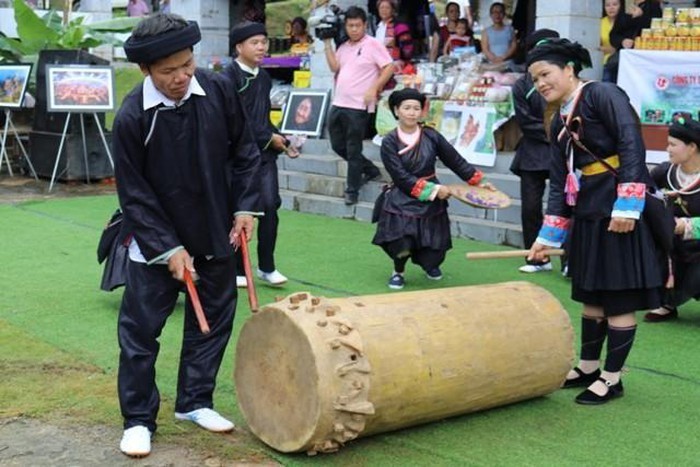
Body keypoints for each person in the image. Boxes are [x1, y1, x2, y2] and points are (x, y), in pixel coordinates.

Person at [113, 14, 260, 457]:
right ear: (145, 70)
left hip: (215, 227)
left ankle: (195, 401)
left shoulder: (215, 89)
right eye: (167, 71)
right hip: (155, 242)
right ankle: (138, 419)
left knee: (213, 321)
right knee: (141, 333)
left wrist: (245, 206)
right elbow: (134, 194)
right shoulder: (131, 117)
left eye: (186, 65)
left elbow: (245, 150)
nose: (180, 77)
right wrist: (168, 247)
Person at [527, 38, 662, 405]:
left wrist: (627, 206)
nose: (540, 84)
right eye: (535, 79)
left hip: (618, 207)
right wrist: (547, 236)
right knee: (590, 294)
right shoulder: (556, 118)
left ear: (568, 69)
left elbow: (631, 141)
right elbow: (559, 182)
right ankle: (588, 366)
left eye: (546, 74)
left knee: (617, 297)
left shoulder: (603, 93)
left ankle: (612, 378)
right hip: (588, 208)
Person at [372, 88, 492, 289]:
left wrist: (478, 181)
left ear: (421, 112)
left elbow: (455, 160)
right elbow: (400, 176)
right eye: (407, 108)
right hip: (403, 198)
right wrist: (434, 191)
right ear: (396, 110)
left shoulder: (431, 135)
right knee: (401, 240)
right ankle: (398, 271)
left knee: (434, 242)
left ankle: (430, 265)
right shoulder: (389, 141)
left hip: (432, 199)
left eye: (416, 108)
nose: (412, 112)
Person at [223, 21, 297, 288]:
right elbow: (235, 121)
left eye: (264, 42)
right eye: (255, 42)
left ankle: (267, 266)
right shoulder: (227, 78)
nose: (261, 47)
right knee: (237, 210)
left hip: (264, 157)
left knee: (269, 206)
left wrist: (284, 140)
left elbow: (262, 119)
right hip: (237, 157)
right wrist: (269, 138)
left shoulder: (264, 78)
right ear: (239, 47)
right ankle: (238, 269)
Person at [323, 6, 394, 206]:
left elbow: (389, 66)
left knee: (353, 148)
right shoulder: (344, 46)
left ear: (364, 25)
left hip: (358, 105)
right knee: (337, 145)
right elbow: (334, 68)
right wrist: (327, 44)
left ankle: (352, 190)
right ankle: (370, 169)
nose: (354, 29)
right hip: (338, 102)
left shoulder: (373, 44)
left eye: (357, 25)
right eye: (350, 25)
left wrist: (375, 88)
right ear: (345, 26)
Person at [510, 28, 560, 274]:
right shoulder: (521, 85)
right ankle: (537, 258)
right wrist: (554, 131)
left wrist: (563, 136)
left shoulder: (568, 80)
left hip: (563, 151)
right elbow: (525, 121)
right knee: (530, 207)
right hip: (532, 151)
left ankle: (570, 260)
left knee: (565, 207)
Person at [645, 116, 700, 322]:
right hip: (672, 247)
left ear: (692, 147)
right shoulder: (663, 172)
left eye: (672, 145)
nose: (667, 149)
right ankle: (666, 301)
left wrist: (686, 226)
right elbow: (647, 197)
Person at [600, 0, 637, 83]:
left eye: (615, 4)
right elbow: (596, 46)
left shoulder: (627, 21)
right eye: (607, 5)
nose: (611, 8)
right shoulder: (600, 22)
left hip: (623, 61)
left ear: (621, 6)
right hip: (605, 62)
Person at [481, 2, 517, 69]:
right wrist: (494, 59)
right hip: (491, 64)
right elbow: (485, 48)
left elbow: (513, 45)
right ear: (491, 15)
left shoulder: (510, 29)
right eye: (494, 12)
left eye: (500, 12)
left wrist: (503, 57)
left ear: (504, 14)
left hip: (508, 63)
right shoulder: (486, 31)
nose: (497, 15)